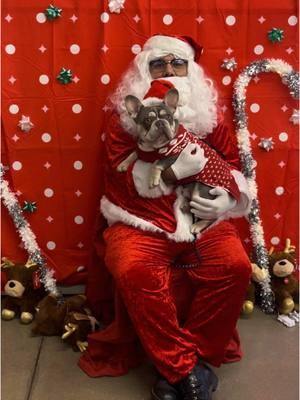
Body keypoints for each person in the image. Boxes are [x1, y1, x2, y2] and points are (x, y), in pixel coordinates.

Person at [79, 34, 252, 400]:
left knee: (235, 266)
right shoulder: (122, 122)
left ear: (191, 72)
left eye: (178, 64)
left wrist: (226, 199)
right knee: (134, 270)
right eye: (159, 64)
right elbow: (120, 179)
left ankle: (190, 360)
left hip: (202, 221)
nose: (169, 71)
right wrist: (172, 174)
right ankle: (184, 370)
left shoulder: (209, 117)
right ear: (144, 73)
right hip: (139, 222)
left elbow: (235, 167)